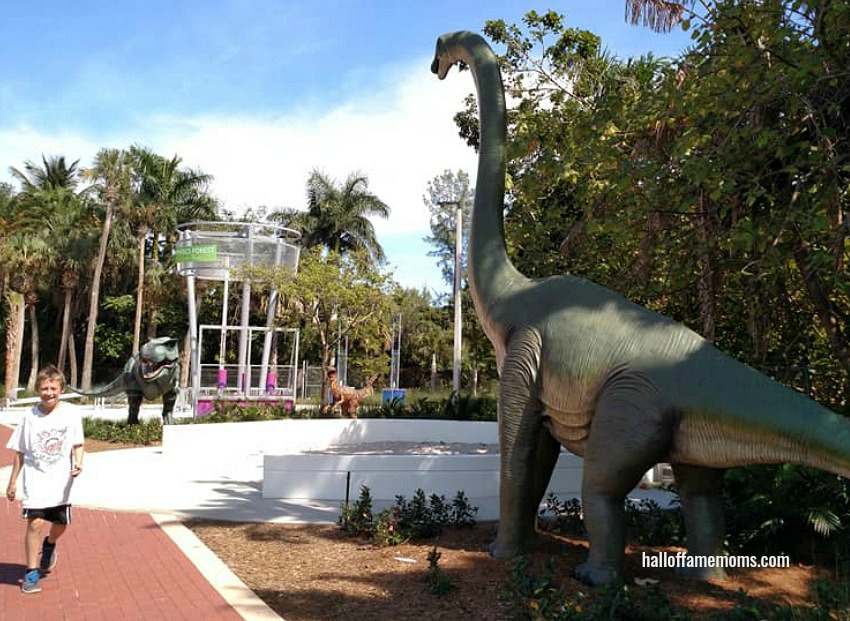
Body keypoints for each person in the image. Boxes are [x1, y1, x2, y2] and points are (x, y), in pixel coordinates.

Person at [5, 364, 85, 594]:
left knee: (61, 524)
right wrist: (12, 483)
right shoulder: (29, 416)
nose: (48, 393)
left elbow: (78, 444)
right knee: (35, 523)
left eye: (53, 388)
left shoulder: (71, 413)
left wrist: (79, 463)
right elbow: (20, 451)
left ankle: (49, 545)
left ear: (61, 388)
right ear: (38, 390)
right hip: (36, 479)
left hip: (61, 482)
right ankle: (31, 572)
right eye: (44, 388)